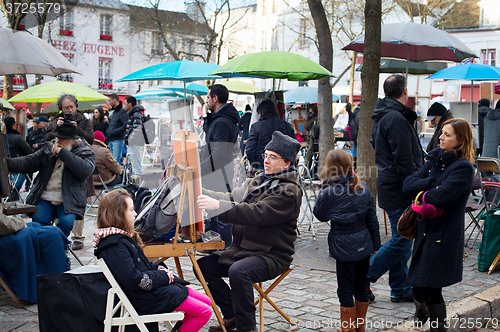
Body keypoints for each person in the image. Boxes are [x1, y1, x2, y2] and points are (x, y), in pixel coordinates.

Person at [196, 131, 302, 332]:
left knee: (239, 271)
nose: (266, 161)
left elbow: (257, 213)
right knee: (203, 267)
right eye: (265, 155)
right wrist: (199, 192)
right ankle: (233, 314)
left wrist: (217, 206)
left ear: (287, 163)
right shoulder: (259, 180)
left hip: (272, 254)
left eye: (273, 157)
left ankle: (247, 327)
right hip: (244, 250)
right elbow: (232, 196)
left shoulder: (289, 191)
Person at [93, 189, 212, 332]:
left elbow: (138, 268)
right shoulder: (115, 245)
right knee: (204, 312)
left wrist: (158, 269)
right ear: (118, 214)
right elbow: (136, 280)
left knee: (206, 301)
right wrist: (163, 276)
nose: (136, 213)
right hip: (145, 298)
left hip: (149, 292)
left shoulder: (120, 238)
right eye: (131, 210)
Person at [403, 118, 475, 332]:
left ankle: (435, 324)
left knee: (426, 287)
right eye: (441, 133)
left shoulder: (463, 168)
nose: (440, 137)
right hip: (424, 232)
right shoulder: (435, 160)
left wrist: (428, 190)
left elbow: (440, 197)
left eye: (447, 135)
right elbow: (408, 185)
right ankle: (429, 318)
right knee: (426, 287)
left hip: (443, 235)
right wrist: (432, 183)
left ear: (460, 140)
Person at [368, 74, 424, 302]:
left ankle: (400, 288)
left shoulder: (384, 116)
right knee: (402, 240)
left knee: (403, 236)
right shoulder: (395, 118)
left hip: (392, 184)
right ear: (404, 92)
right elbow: (403, 159)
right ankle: (362, 277)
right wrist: (414, 188)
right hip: (399, 187)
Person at [313, 149, 380, 332]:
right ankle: (359, 328)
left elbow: (320, 216)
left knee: (345, 290)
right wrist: (375, 245)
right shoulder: (362, 187)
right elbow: (372, 220)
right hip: (363, 244)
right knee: (360, 287)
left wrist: (325, 188)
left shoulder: (330, 192)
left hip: (343, 248)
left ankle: (348, 329)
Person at [7, 121, 95, 237]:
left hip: (68, 198)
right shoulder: (48, 150)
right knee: (38, 220)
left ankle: (59, 246)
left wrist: (63, 153)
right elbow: (27, 162)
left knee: (66, 223)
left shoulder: (84, 152)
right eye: (57, 138)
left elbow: (85, 171)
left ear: (72, 141)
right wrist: (6, 163)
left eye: (62, 139)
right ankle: (45, 246)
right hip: (45, 196)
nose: (57, 142)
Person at [200, 84, 240, 249]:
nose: (206, 100)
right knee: (214, 213)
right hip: (219, 173)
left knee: (220, 214)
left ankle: (224, 252)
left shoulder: (222, 122)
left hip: (218, 175)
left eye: (208, 97)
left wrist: (199, 168)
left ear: (215, 99)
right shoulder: (219, 119)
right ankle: (214, 249)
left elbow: (218, 154)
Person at [245, 99, 295, 171]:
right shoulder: (286, 125)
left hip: (263, 165)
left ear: (260, 113)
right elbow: (294, 145)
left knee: (264, 182)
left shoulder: (256, 126)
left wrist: (254, 164)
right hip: (282, 165)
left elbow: (250, 148)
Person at [4, 117, 33, 202]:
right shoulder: (18, 138)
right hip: (17, 164)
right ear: (13, 126)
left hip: (5, 165)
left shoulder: (3, 138)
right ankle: (15, 192)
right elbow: (29, 151)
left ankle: (12, 191)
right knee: (23, 168)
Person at [124, 96, 147, 177]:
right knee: (133, 164)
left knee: (136, 166)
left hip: (136, 143)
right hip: (134, 143)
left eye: (125, 103)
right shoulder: (133, 114)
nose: (124, 105)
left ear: (130, 104)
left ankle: (137, 184)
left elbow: (137, 129)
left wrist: (130, 141)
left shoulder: (136, 114)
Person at [107, 93, 128, 165]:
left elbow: (125, 125)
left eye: (110, 101)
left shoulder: (122, 112)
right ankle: (114, 175)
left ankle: (116, 175)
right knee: (113, 160)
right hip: (113, 138)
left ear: (114, 100)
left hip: (118, 139)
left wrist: (114, 132)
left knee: (115, 160)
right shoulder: (115, 112)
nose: (109, 103)